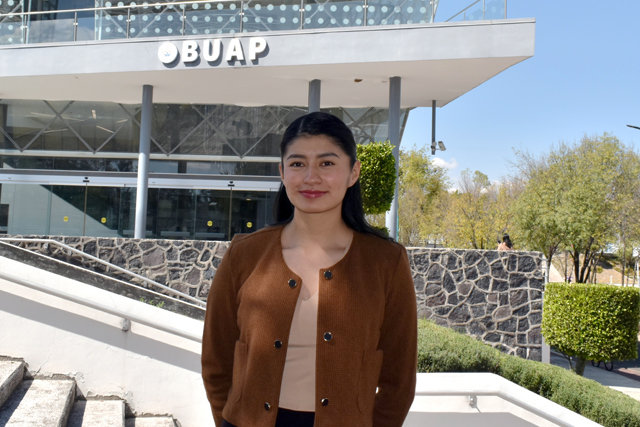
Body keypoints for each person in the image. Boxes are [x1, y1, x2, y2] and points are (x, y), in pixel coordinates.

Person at [201, 112, 418, 427]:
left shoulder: (386, 262)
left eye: (327, 163)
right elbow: (216, 360)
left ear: (353, 172)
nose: (311, 177)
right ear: (282, 172)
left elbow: (399, 380)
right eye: (297, 163)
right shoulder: (244, 254)